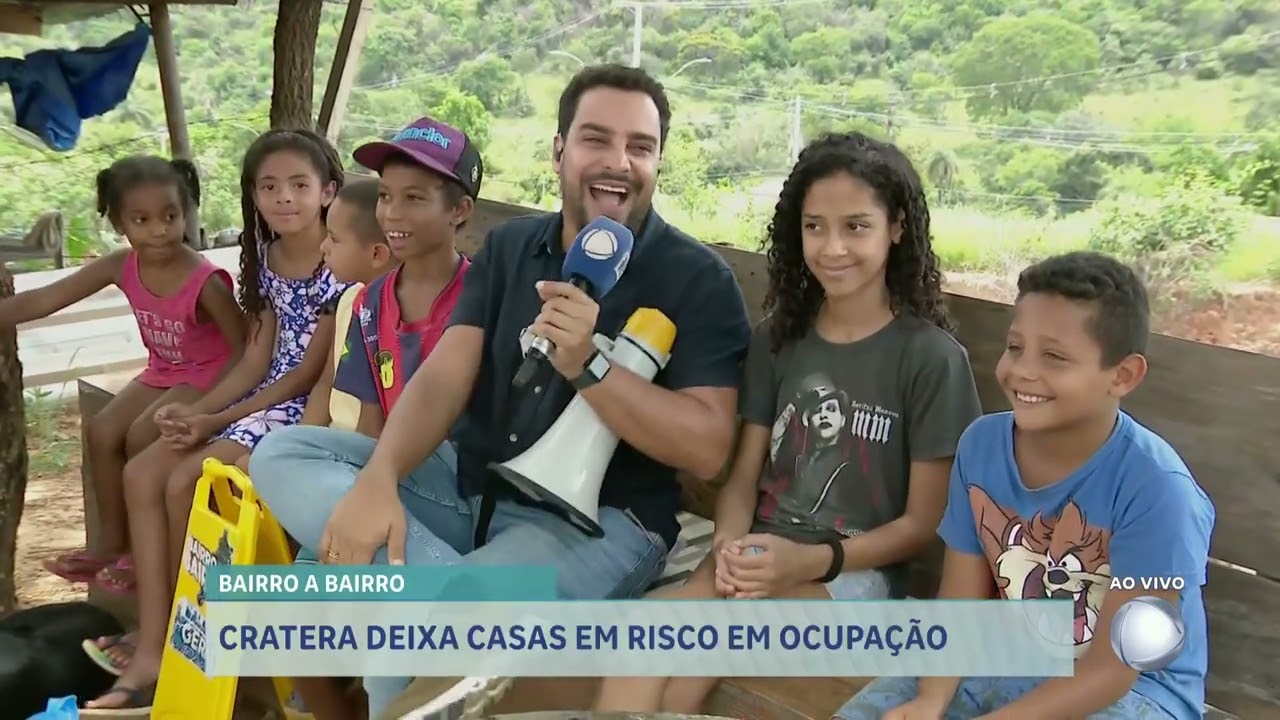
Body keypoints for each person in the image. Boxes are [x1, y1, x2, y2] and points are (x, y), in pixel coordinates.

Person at [247, 63, 752, 717]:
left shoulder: (697, 279)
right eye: (597, 139)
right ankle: (421, 586)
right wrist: (380, 476)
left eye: (641, 147)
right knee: (281, 455)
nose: (619, 162)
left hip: (598, 526)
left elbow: (709, 450)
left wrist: (589, 366)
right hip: (473, 488)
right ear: (559, 150)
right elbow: (446, 377)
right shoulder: (513, 247)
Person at [594, 131, 984, 713]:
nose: (832, 247)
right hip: (758, 554)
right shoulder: (779, 340)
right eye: (814, 226)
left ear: (896, 227)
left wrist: (810, 560)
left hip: (855, 574)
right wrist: (727, 546)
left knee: (712, 645)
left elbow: (923, 524)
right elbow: (744, 476)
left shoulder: (929, 359)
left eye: (856, 226)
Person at [835, 251, 1215, 720]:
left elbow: (1113, 671)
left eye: (1054, 356)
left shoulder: (1158, 491)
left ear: (1123, 375)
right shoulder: (982, 447)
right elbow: (961, 603)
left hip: (1136, 693)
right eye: (1015, 347)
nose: (1022, 371)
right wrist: (930, 699)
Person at [83, 129, 351, 712]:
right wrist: (198, 410)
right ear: (252, 196)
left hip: (297, 408)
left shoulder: (340, 259)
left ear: (328, 191)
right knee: (140, 473)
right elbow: (256, 356)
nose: (284, 198)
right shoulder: (268, 255)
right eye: (269, 187)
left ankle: (194, 642)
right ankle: (153, 641)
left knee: (184, 481)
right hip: (260, 395)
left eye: (299, 185)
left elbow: (306, 375)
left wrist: (219, 418)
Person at [259, 116, 481, 720]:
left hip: (462, 492)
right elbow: (366, 431)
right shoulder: (370, 302)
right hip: (396, 489)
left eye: (415, 198)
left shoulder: (483, 294)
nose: (393, 212)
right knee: (280, 462)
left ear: (460, 210)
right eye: (385, 196)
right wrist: (353, 513)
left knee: (389, 622)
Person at [0, 155, 244, 602]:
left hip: (208, 374)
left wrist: (212, 405)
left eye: (170, 216)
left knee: (137, 435)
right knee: (101, 429)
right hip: (164, 370)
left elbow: (243, 347)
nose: (159, 230)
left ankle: (138, 553)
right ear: (119, 223)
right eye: (142, 219)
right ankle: (108, 545)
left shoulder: (205, 280)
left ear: (186, 211)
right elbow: (48, 298)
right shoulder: (122, 265)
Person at [293, 176, 396, 437]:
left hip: (364, 449)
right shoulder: (350, 298)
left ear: (377, 254)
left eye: (334, 239)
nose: (323, 247)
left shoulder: (399, 318)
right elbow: (328, 380)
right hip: (331, 438)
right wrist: (299, 441)